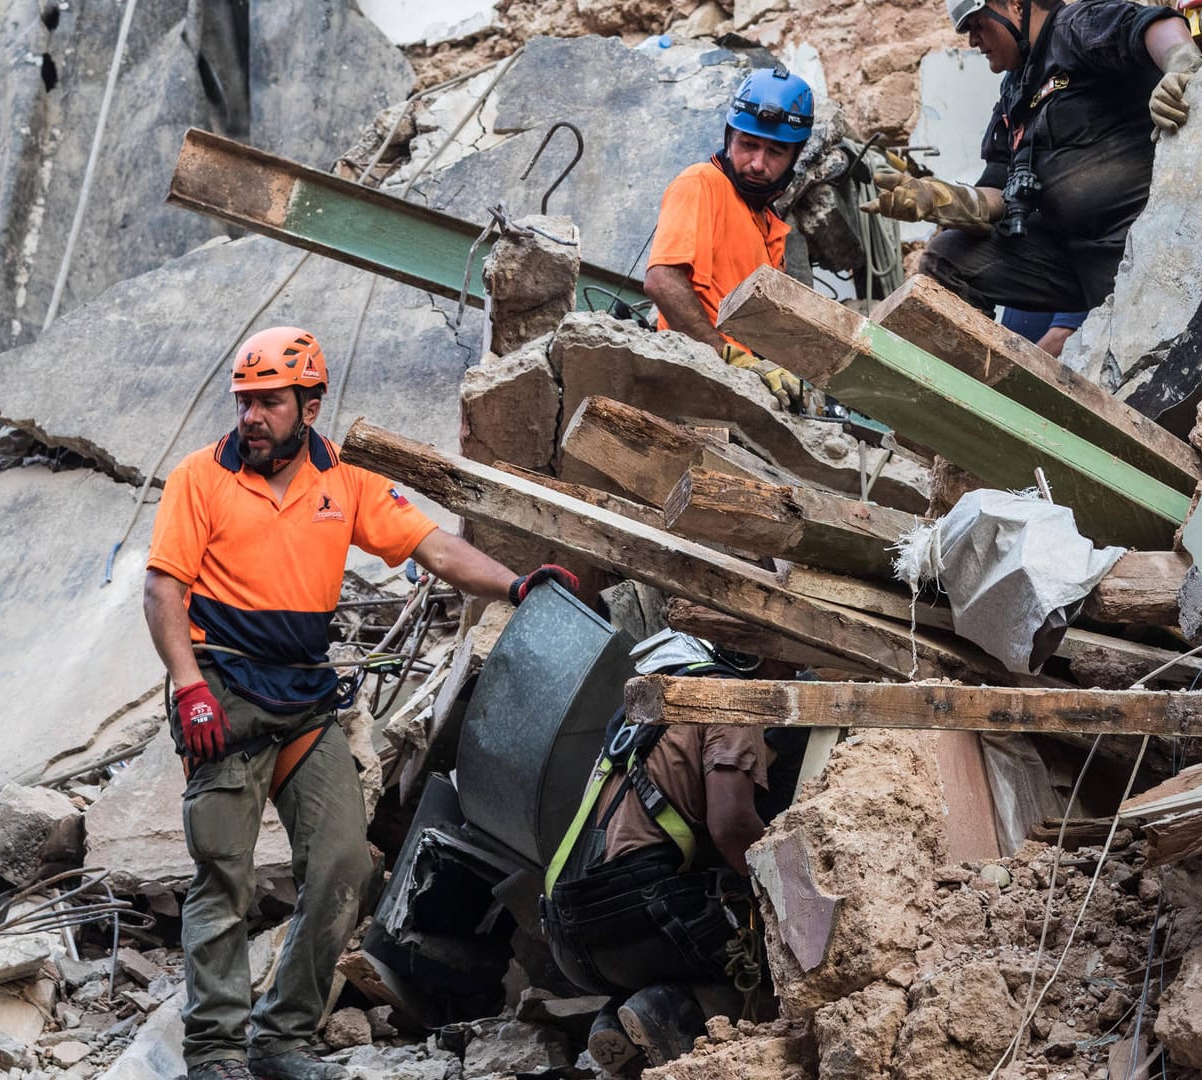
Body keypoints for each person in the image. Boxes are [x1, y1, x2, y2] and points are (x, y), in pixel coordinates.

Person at [143, 326, 577, 1080]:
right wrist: (188, 687)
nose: (252, 417)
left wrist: (516, 584)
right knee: (225, 874)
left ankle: (282, 1039)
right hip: (225, 696)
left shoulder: (344, 484)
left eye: (270, 402)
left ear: (309, 403)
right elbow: (162, 591)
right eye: (245, 401)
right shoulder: (198, 478)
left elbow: (434, 548)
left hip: (305, 701)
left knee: (346, 864)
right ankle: (214, 1054)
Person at [865, 0, 1201, 316]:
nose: (973, 41)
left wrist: (1179, 68)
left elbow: (1151, 25)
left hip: (1144, 239)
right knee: (948, 258)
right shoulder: (1015, 92)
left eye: (977, 25)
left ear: (1014, 5)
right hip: (1072, 256)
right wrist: (940, 199)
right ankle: (977, 374)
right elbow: (996, 188)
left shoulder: (1075, 28)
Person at [541, 630, 774, 1071]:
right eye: (781, 660)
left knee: (679, 941)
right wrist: (783, 900)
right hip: (642, 919)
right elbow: (731, 828)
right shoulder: (729, 698)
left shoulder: (644, 710)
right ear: (747, 658)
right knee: (770, 964)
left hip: (565, 930)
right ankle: (667, 1013)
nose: (789, 674)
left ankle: (618, 1021)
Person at [643, 67, 816, 412]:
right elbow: (662, 281)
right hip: (692, 381)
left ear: (794, 157)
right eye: (748, 145)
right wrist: (726, 355)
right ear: (729, 138)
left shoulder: (770, 227)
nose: (757, 163)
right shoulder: (702, 183)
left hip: (743, 393)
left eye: (775, 152)